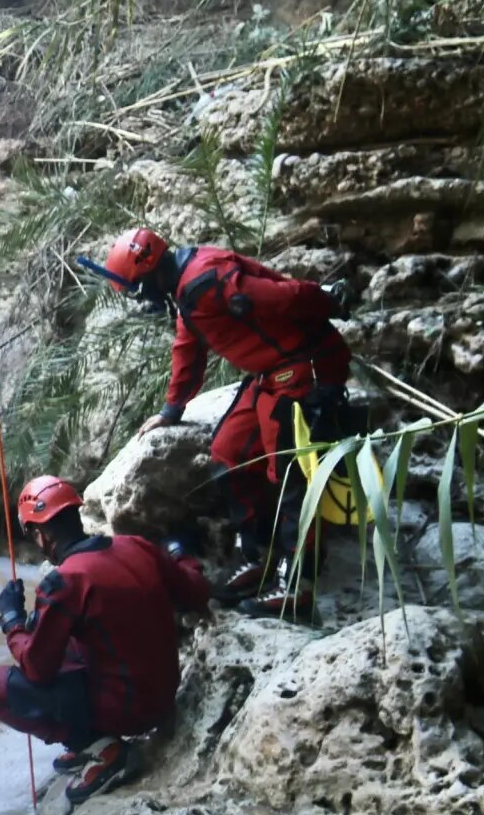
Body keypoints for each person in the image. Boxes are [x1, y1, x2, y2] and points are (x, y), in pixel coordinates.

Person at [91, 228, 356, 618]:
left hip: (304, 366)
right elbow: (188, 349)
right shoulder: (187, 293)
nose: (139, 298)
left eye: (137, 288)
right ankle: (259, 556)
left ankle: (298, 582)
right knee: (227, 456)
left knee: (290, 471)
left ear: (149, 273)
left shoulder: (207, 279)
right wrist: (171, 410)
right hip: (270, 374)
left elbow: (280, 296)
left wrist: (326, 298)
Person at [0, 475, 211, 805]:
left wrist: (11, 621)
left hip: (131, 711)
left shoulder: (66, 581)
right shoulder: (135, 546)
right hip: (165, 694)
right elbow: (196, 591)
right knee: (56, 635)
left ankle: (96, 745)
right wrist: (180, 553)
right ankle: (97, 739)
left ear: (41, 536)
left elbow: (37, 669)